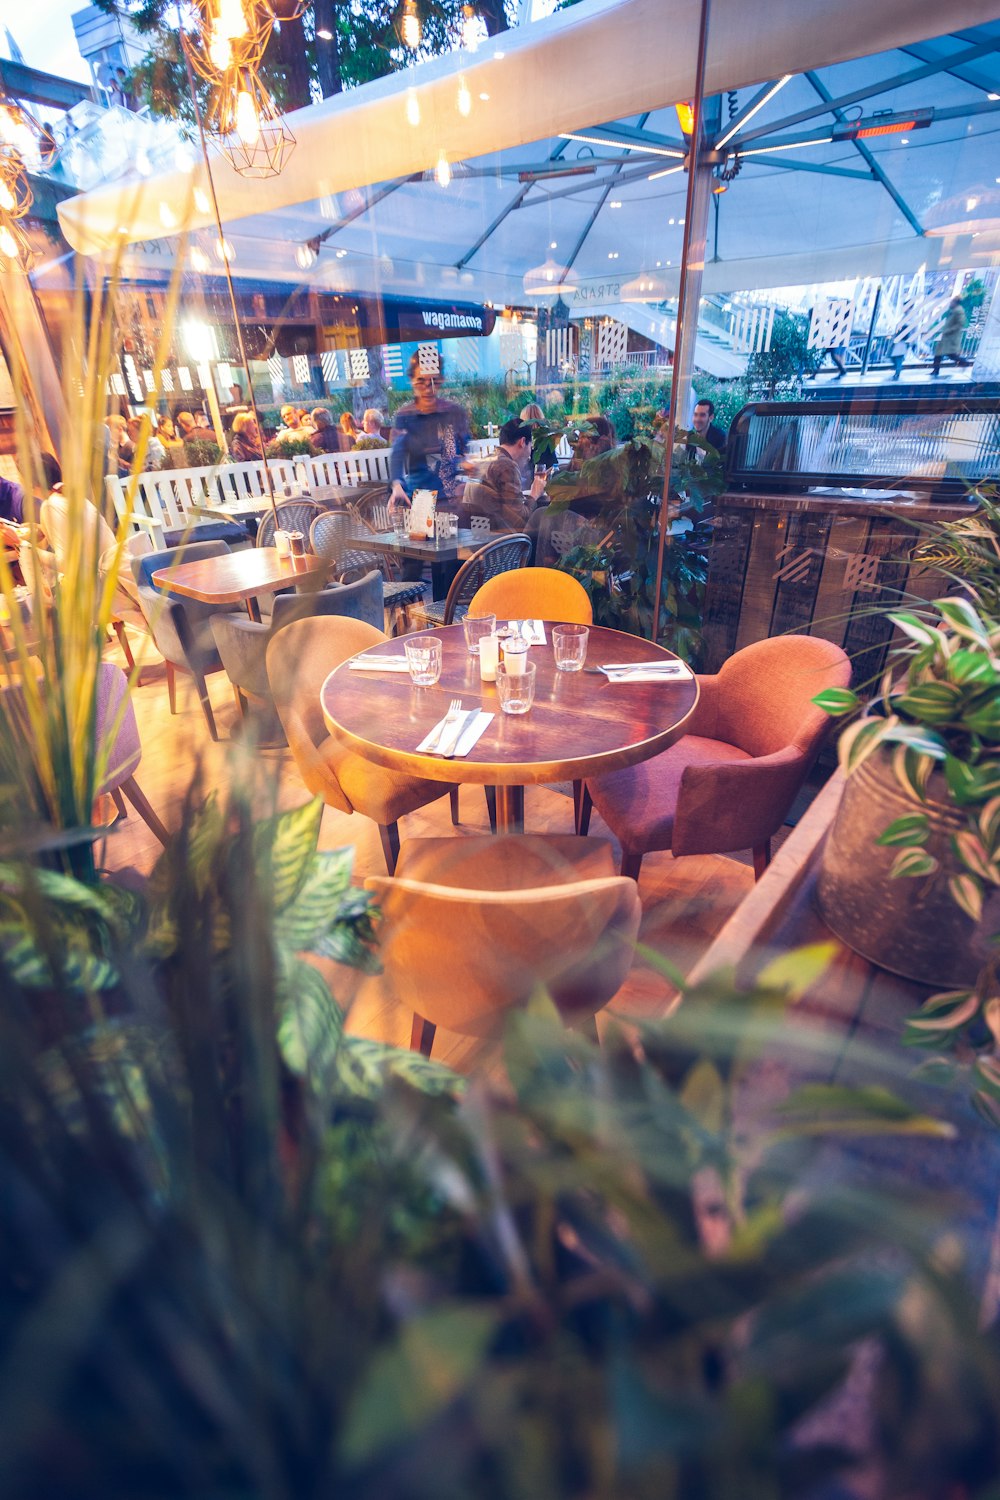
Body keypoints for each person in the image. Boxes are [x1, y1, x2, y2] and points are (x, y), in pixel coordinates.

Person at [388, 354, 471, 512]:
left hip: (451, 499)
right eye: (421, 381)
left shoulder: (453, 412)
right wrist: (397, 485)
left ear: (441, 381)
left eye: (434, 381)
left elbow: (461, 450)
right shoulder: (405, 416)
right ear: (412, 381)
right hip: (420, 499)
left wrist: (465, 463)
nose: (428, 388)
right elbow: (397, 455)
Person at [462, 419, 547, 532]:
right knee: (544, 519)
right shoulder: (507, 465)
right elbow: (519, 521)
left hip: (479, 538)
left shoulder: (485, 460)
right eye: (530, 445)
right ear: (522, 442)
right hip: (503, 543)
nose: (530, 451)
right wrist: (534, 495)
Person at [932, 298, 969, 378]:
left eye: (952, 302)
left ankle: (964, 362)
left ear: (955, 302)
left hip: (950, 338)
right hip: (947, 338)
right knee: (939, 355)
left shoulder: (959, 311)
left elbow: (960, 324)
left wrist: (949, 330)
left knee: (950, 355)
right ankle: (935, 370)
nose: (950, 303)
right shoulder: (955, 311)